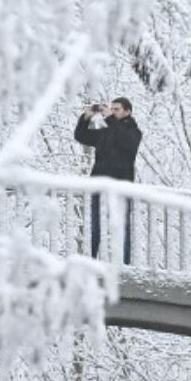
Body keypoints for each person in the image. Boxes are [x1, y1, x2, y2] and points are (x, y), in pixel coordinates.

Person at [74, 96, 142, 261]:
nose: (112, 112)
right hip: (99, 184)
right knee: (95, 227)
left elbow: (126, 141)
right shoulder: (107, 130)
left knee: (121, 229)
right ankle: (91, 261)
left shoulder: (134, 132)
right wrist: (86, 117)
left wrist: (109, 118)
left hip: (121, 187)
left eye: (116, 109)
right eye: (111, 109)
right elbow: (81, 136)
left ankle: (125, 267)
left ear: (128, 112)